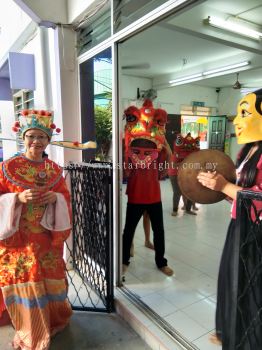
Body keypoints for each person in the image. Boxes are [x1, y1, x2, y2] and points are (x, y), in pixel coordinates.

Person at [0, 109, 72, 350]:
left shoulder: (54, 170)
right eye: (31, 136)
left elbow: (66, 198)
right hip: (18, 240)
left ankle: (52, 319)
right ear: (23, 138)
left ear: (48, 140)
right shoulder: (7, 168)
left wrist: (56, 199)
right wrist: (17, 198)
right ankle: (31, 328)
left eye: (42, 137)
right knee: (26, 279)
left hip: (46, 239)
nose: (36, 141)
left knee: (50, 279)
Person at [197, 89, 262, 349]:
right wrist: (218, 188)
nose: (236, 120)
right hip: (240, 226)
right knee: (232, 280)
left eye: (244, 113)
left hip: (258, 235)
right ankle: (230, 331)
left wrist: (225, 187)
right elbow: (240, 193)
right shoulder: (248, 150)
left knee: (253, 290)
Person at [168, 133, 200, 216]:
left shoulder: (192, 153)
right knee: (177, 192)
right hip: (174, 173)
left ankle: (188, 209)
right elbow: (174, 165)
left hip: (187, 173)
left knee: (190, 191)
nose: (188, 147)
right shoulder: (176, 154)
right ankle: (175, 210)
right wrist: (187, 162)